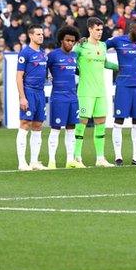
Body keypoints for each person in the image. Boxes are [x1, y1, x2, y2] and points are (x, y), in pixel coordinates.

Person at [106, 20, 136, 166]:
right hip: (123, 86)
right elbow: (100, 46)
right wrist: (86, 41)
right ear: (131, 29)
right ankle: (118, 157)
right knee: (119, 120)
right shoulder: (118, 40)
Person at [72, 17, 116, 168]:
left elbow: (105, 63)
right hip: (85, 91)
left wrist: (121, 67)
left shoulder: (103, 46)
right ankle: (77, 157)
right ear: (90, 29)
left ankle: (100, 158)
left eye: (101, 30)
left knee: (101, 123)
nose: (99, 32)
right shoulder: (80, 46)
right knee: (82, 123)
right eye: (97, 30)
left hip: (100, 91)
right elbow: (70, 60)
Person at [46, 26, 85, 169]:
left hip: (72, 98)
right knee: (56, 128)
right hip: (58, 97)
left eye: (73, 41)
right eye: (68, 40)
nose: (70, 43)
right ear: (61, 40)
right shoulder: (53, 55)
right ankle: (51, 161)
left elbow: (79, 72)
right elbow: (44, 69)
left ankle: (70, 160)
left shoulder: (75, 56)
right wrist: (48, 76)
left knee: (71, 129)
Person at [15, 24, 48, 171]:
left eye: (42, 34)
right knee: (25, 124)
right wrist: (22, 97)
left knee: (38, 125)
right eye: (38, 34)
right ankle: (22, 163)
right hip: (29, 92)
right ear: (31, 36)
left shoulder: (43, 54)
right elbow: (19, 76)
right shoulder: (25, 53)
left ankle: (34, 161)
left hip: (41, 93)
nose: (41, 36)